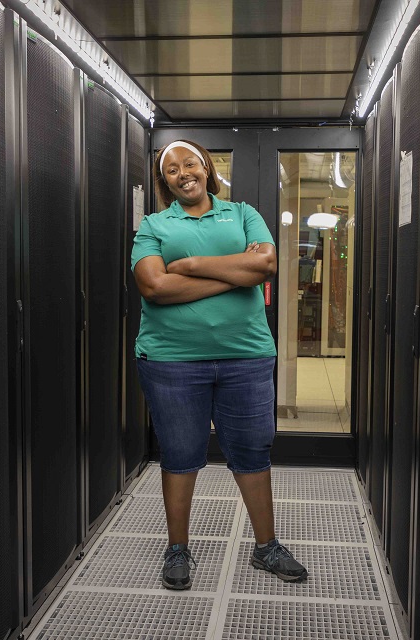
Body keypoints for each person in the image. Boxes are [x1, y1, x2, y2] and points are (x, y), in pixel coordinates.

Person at [131, 139, 308, 590]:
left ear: (207, 168)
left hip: (246, 357)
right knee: (181, 455)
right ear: (164, 180)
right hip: (171, 362)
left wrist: (190, 266)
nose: (182, 172)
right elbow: (153, 287)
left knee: (253, 452)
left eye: (190, 163)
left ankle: (266, 546)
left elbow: (265, 264)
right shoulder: (152, 224)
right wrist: (233, 276)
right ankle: (177, 549)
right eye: (171, 169)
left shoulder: (243, 213)